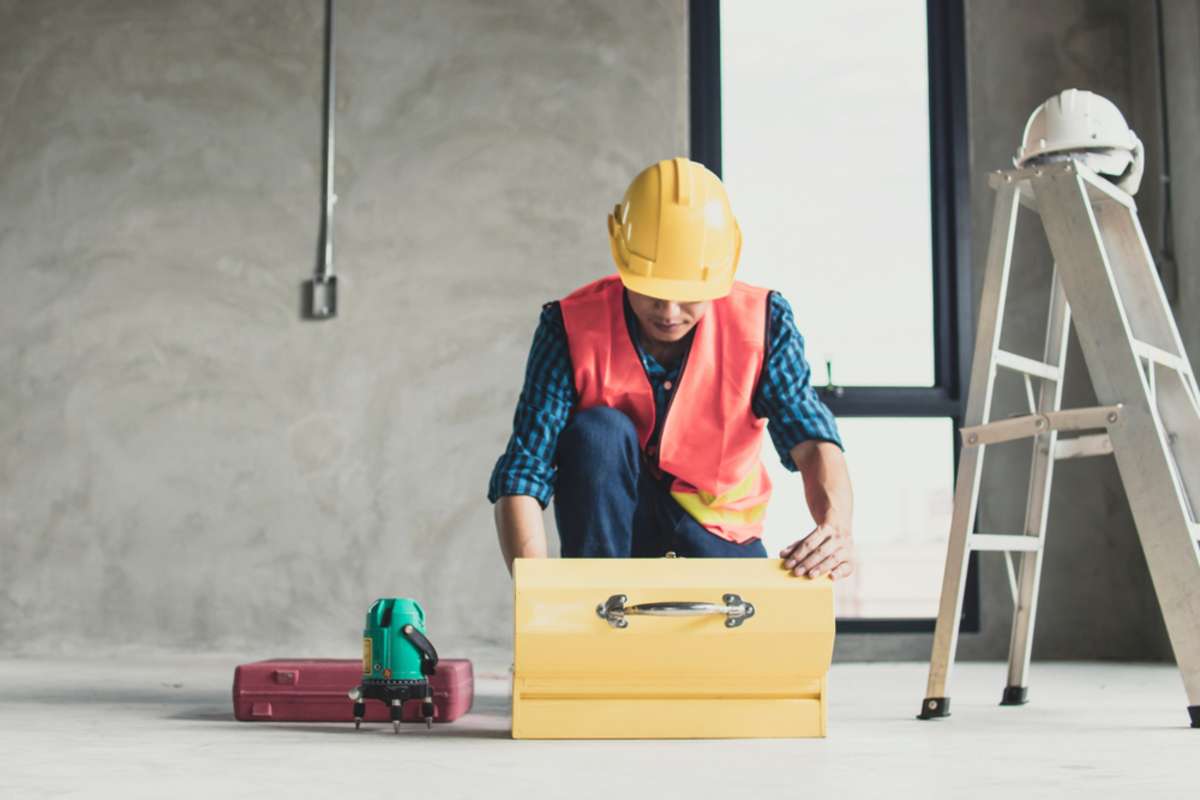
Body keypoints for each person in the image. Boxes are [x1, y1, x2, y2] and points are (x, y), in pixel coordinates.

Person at [489, 157, 855, 580]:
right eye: (652, 293)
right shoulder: (569, 325)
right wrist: (535, 590)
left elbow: (809, 439)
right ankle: (601, 608)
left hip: (720, 534)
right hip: (612, 539)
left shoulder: (763, 321)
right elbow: (525, 468)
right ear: (621, 256)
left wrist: (836, 528)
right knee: (599, 432)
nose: (669, 312)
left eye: (689, 297)